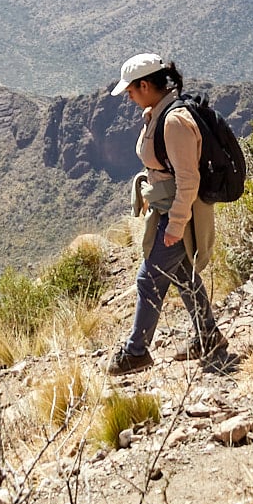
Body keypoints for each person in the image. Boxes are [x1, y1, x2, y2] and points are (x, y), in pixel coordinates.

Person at [103, 53, 235, 377]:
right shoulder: (159, 114)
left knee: (148, 279)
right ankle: (208, 335)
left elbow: (189, 180)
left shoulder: (175, 122)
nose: (129, 97)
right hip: (167, 207)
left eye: (131, 91)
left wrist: (175, 225)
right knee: (183, 274)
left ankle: (136, 351)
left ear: (145, 85)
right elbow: (164, 167)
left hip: (180, 214)